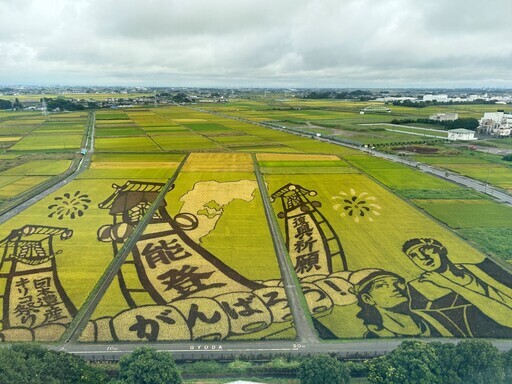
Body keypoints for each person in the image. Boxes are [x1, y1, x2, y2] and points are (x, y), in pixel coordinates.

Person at [402, 238, 512, 337]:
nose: (422, 257)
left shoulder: (479, 269)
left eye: (424, 249)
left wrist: (448, 284)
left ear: (441, 249)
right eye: (414, 256)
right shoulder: (417, 287)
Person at [351, 269, 443, 338]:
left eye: (397, 283)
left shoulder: (433, 319)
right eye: (382, 285)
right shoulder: (374, 335)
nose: (395, 288)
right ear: (368, 299)